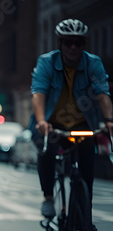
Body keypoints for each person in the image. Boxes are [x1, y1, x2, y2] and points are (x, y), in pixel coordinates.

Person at [29, 19, 113, 217]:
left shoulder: (93, 63)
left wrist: (109, 120)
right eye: (68, 43)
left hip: (83, 123)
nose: (73, 47)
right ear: (60, 44)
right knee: (46, 152)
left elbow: (102, 93)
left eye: (79, 43)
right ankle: (48, 197)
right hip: (52, 123)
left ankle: (85, 212)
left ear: (84, 44)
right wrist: (41, 121)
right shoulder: (47, 62)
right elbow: (38, 93)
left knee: (87, 165)